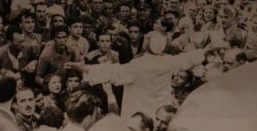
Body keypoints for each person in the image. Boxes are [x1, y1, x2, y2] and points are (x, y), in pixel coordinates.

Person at [69, 31, 215, 119]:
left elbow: (112, 72)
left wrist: (84, 67)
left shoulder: (138, 65)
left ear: (146, 45)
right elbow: (187, 59)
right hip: (160, 111)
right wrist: (207, 50)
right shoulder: (169, 62)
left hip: (137, 111)